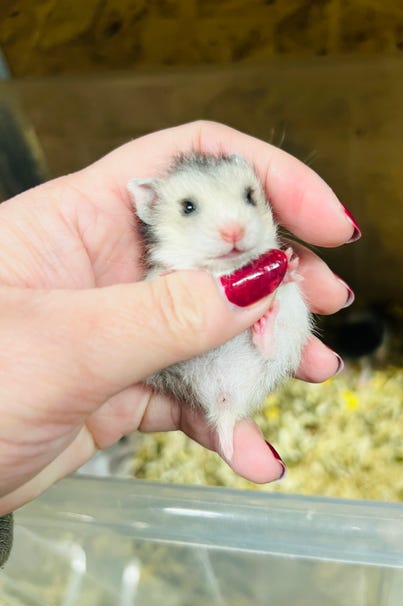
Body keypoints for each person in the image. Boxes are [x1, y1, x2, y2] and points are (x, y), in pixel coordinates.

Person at [0, 120, 360, 520]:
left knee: (292, 297)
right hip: (189, 374)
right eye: (189, 208)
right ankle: (258, 338)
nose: (233, 228)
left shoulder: (255, 249)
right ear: (150, 206)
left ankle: (265, 332)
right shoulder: (166, 267)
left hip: (251, 366)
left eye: (247, 197)